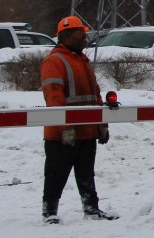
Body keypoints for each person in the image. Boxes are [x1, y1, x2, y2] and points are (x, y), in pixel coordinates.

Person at [39, 16, 118, 224]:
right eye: (79, 32)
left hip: (86, 131)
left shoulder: (81, 60)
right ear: (66, 36)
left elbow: (95, 95)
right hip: (62, 134)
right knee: (56, 174)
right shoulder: (54, 61)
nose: (85, 36)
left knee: (86, 174)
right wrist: (65, 127)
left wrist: (102, 124)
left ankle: (91, 209)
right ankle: (49, 213)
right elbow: (53, 97)